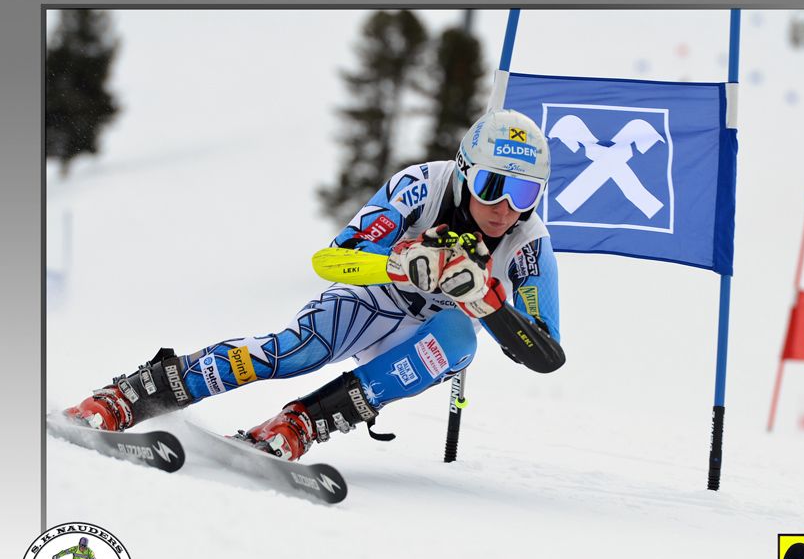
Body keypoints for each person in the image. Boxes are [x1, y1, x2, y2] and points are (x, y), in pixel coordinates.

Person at [65, 108, 564, 461]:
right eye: (492, 186)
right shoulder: (422, 187)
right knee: (295, 353)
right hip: (375, 297)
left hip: (424, 337)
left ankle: (303, 423)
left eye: (525, 193)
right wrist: (401, 264)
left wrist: (488, 305)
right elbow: (332, 260)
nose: (506, 208)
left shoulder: (528, 243)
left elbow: (545, 355)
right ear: (465, 172)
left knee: (458, 341)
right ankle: (137, 393)